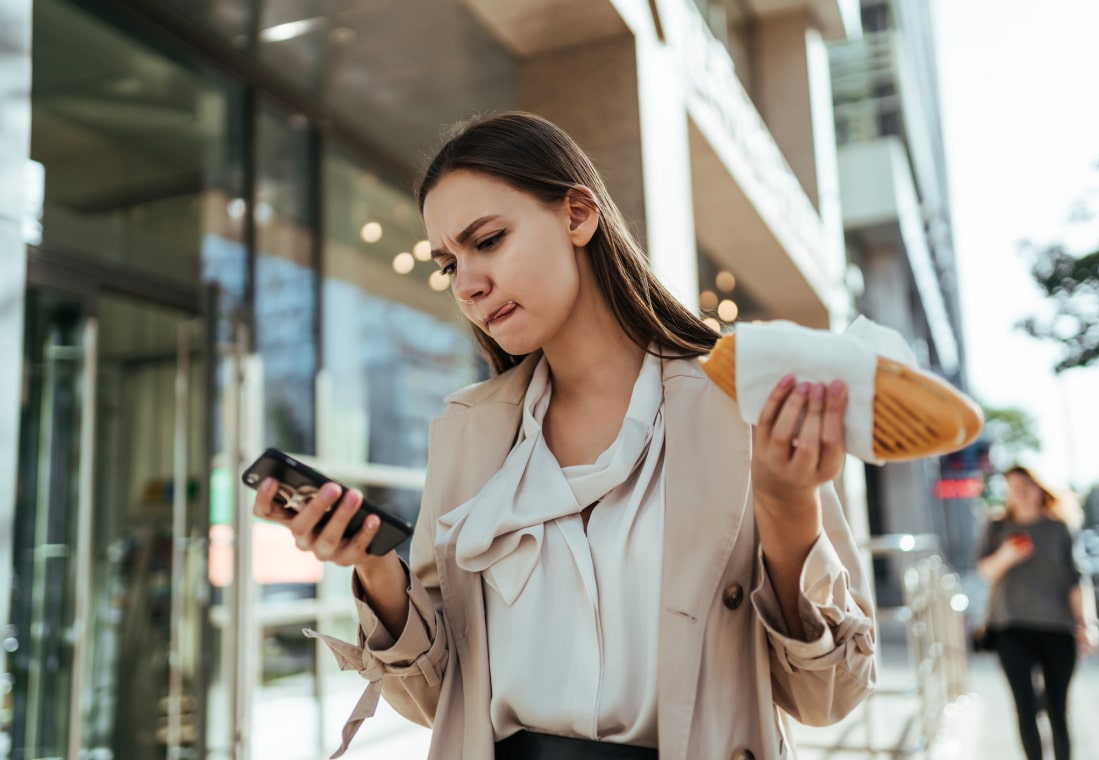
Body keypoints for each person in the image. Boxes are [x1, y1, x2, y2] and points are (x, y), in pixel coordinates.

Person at [253, 112, 876, 759]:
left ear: (578, 215)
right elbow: (440, 703)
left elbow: (829, 695)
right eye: (449, 265)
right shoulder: (467, 433)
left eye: (488, 241)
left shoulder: (736, 404)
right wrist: (377, 569)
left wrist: (787, 506)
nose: (468, 284)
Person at [977, 465, 1099, 760]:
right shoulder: (997, 527)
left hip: (1058, 627)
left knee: (1057, 707)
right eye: (1012, 487)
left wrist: (1088, 624)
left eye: (1026, 486)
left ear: (1041, 489)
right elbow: (984, 572)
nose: (1019, 493)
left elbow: (1076, 580)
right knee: (1024, 705)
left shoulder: (1059, 528)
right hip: (1011, 626)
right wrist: (1007, 555)